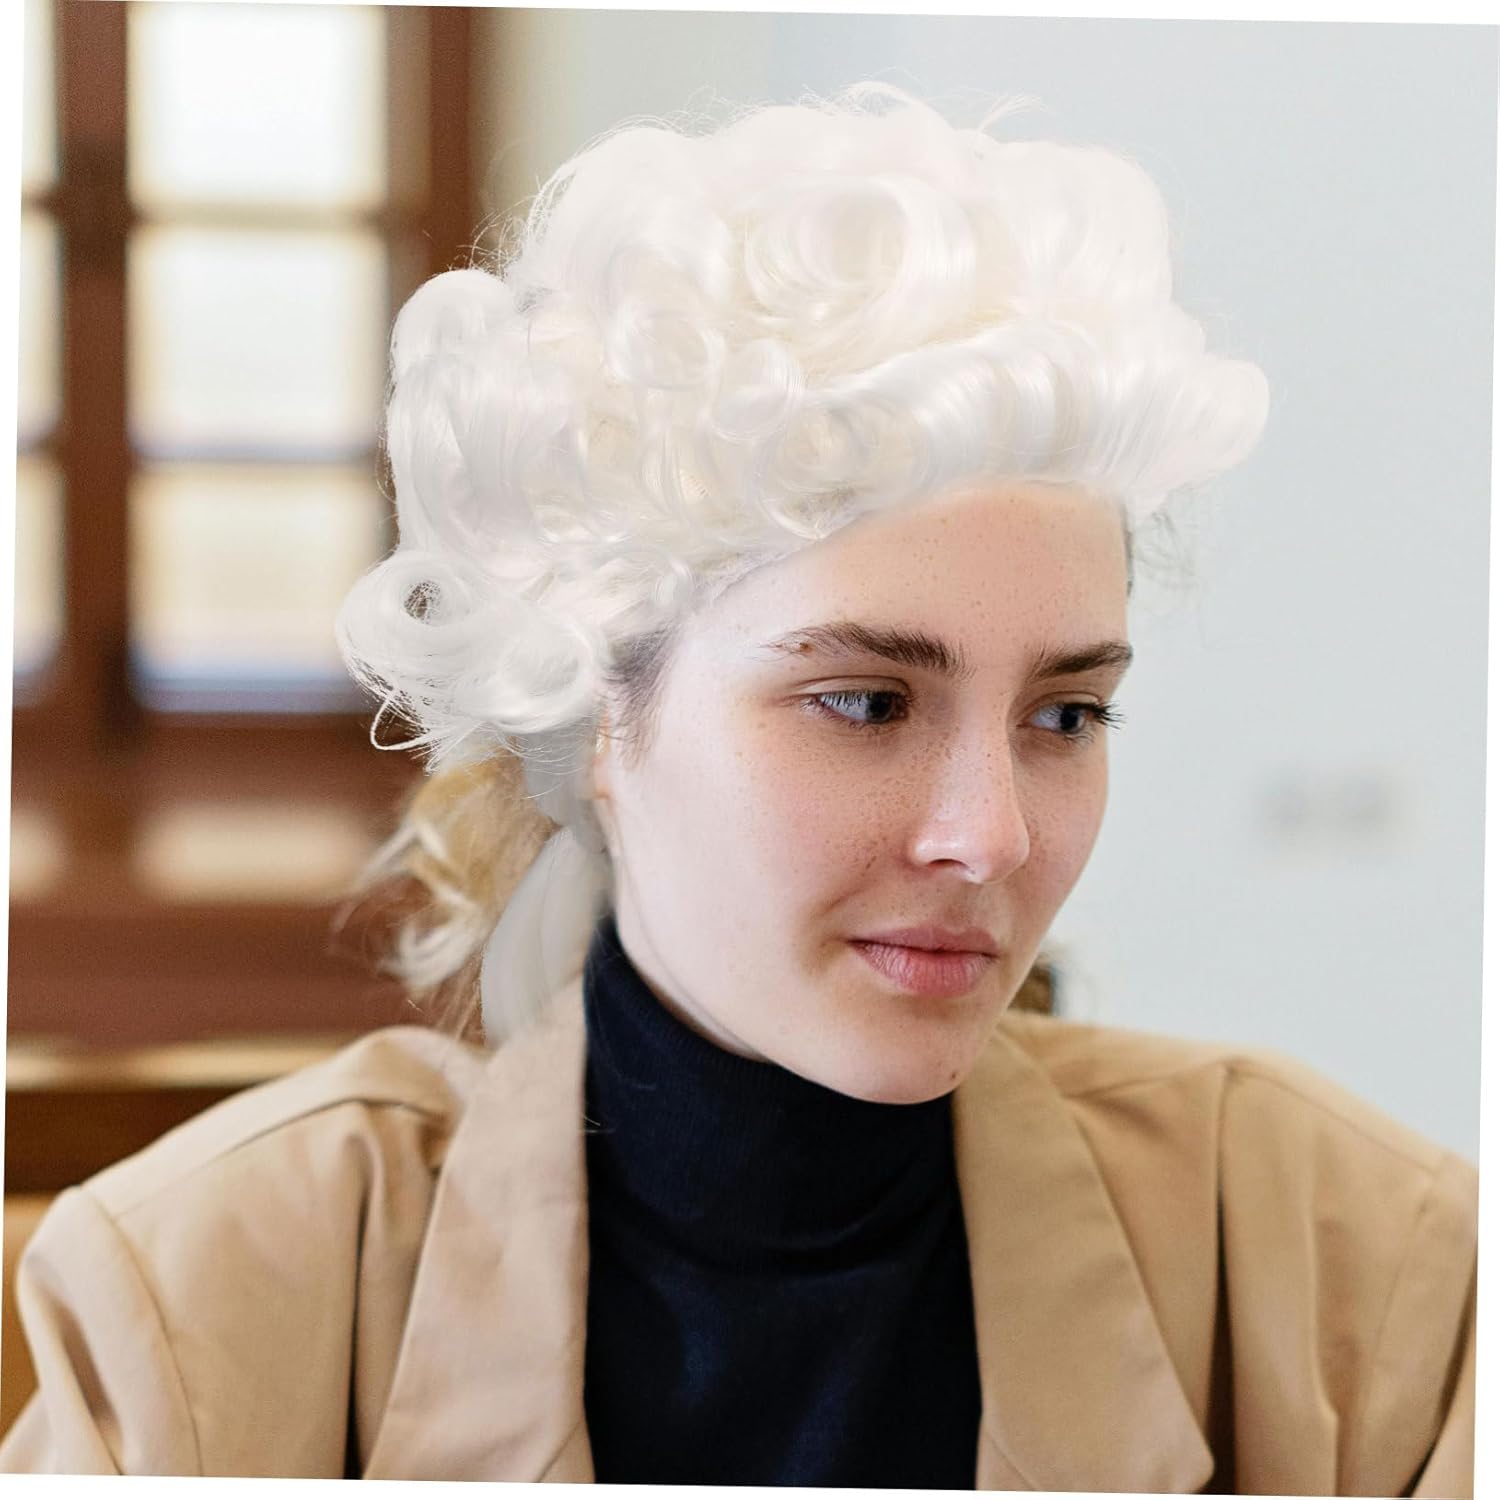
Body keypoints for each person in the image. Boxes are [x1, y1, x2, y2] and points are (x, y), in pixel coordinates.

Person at [0, 84, 1476, 1491]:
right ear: (592, 715)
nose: (992, 835)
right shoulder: (207, 1302)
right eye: (866, 702)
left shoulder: (1358, 1273)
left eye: (1066, 714)